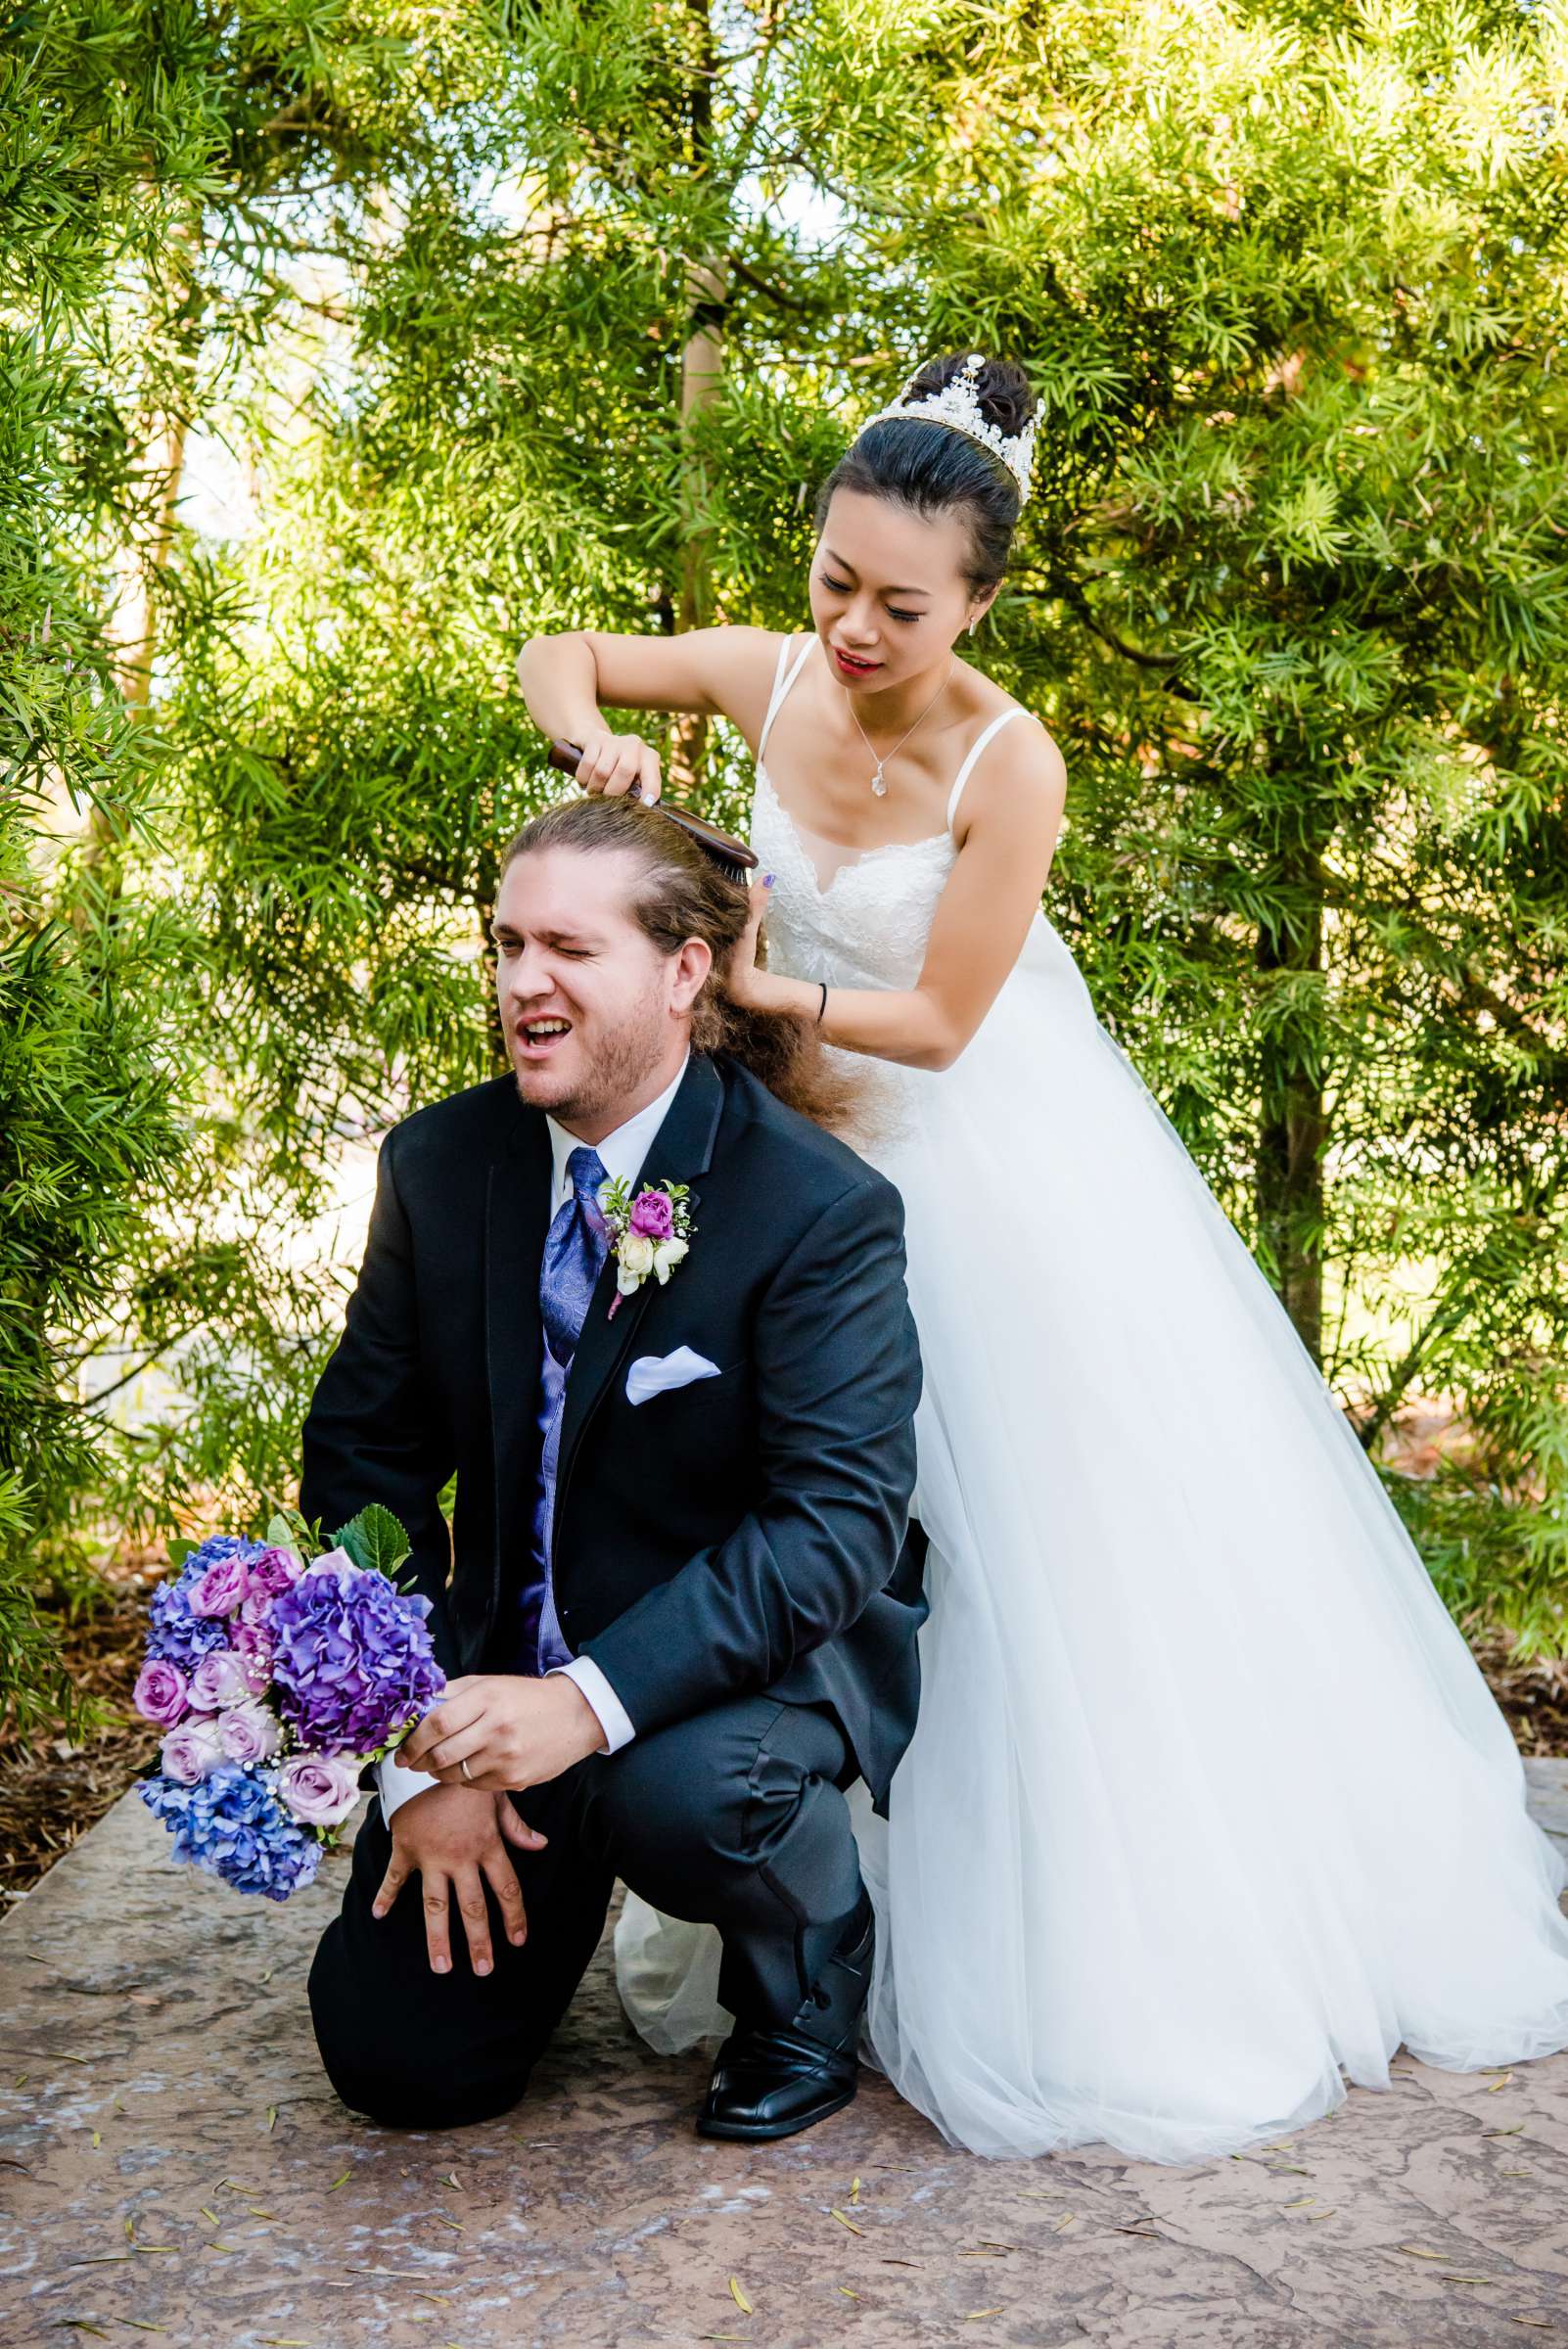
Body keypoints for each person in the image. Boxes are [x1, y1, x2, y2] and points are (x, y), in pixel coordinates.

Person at [513, 350, 1568, 2165]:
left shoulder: (1015, 761)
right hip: (784, 1157)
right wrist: (586, 738)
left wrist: (762, 990)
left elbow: (935, 1017)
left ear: (980, 599)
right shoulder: (771, 672)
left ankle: (1032, 1939)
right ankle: (780, 1863)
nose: (849, 626)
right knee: (757, 1499)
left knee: (1020, 1561)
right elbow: (561, 650)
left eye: (898, 604)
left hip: (970, 1165)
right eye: (833, 579)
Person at [301, 794, 927, 2142]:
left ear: (684, 972)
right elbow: (364, 1462)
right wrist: (422, 1743)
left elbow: (835, 1526)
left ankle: (804, 1977)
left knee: (687, 1799)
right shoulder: (439, 1162)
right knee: (400, 2072)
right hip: (492, 1678)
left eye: (569, 950)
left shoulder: (815, 1210)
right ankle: (541, 1857)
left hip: (731, 1674)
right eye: (507, 942)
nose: (523, 981)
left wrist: (585, 1706)